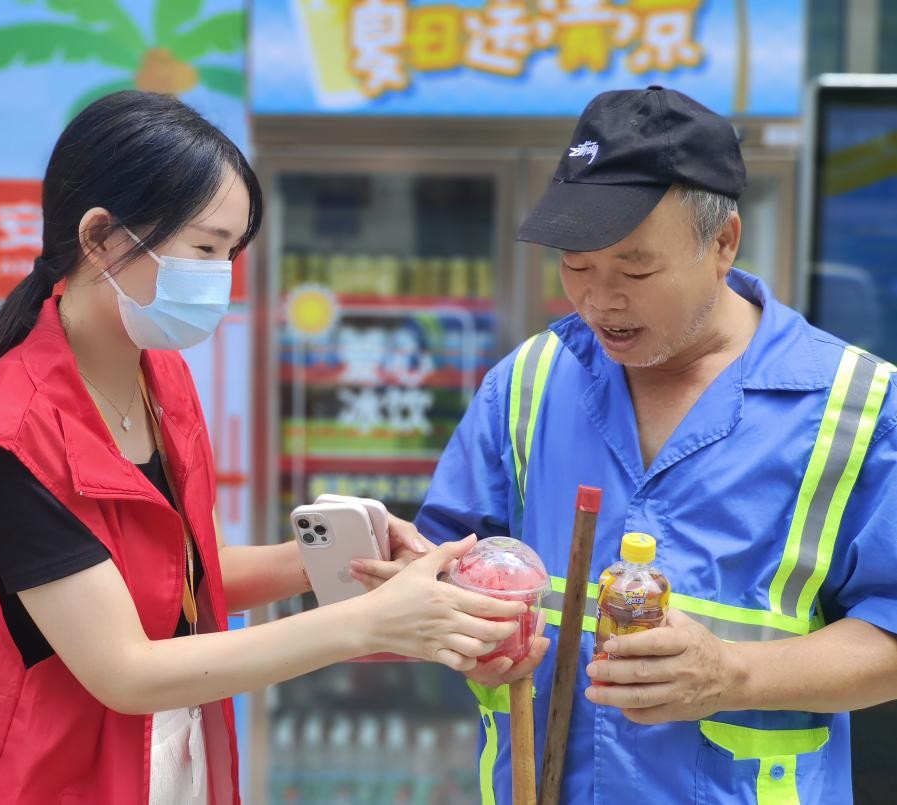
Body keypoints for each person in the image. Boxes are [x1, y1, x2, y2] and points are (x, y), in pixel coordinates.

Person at [0, 91, 524, 805]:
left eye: (231, 252)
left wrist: (329, 561)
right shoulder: (7, 436)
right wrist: (361, 625)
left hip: (168, 753)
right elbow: (126, 669)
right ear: (101, 237)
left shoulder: (158, 376)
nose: (222, 276)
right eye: (204, 248)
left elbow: (181, 573)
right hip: (49, 775)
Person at [359, 86, 897, 803]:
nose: (598, 300)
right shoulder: (527, 382)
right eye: (575, 267)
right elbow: (448, 572)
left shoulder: (852, 407)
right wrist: (464, 633)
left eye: (634, 269)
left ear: (723, 242)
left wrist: (733, 674)